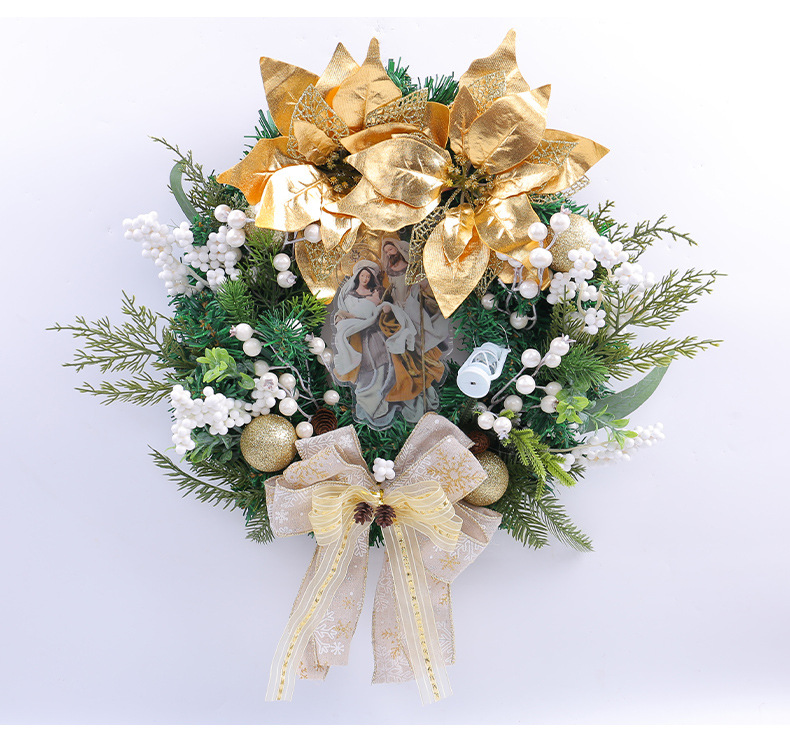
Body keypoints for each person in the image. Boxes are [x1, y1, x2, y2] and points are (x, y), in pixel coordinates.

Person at [331, 261, 417, 428]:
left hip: (377, 333)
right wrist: (343, 317)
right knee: (366, 368)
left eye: (368, 276)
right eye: (362, 275)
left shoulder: (376, 292)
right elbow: (347, 314)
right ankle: (368, 404)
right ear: (357, 277)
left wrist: (385, 309)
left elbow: (386, 309)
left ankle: (385, 400)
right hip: (359, 336)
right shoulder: (349, 295)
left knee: (385, 364)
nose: (365, 279)